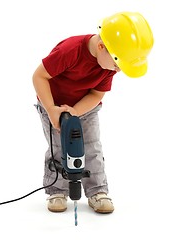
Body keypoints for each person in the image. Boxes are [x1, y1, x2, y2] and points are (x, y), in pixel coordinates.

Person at [32, 11, 154, 213]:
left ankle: (97, 191)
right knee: (58, 147)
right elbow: (39, 77)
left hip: (85, 108)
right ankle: (57, 190)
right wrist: (52, 109)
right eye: (117, 64)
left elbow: (97, 94)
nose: (117, 70)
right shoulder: (70, 50)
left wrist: (75, 111)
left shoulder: (108, 65)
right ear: (101, 47)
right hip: (51, 104)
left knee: (91, 147)